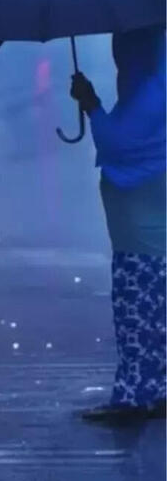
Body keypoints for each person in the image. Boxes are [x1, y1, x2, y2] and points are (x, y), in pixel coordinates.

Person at [70, 25, 166, 422]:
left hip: (140, 234)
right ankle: (157, 389)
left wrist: (91, 103)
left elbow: (119, 143)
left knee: (136, 312)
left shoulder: (152, 93)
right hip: (146, 225)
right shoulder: (151, 85)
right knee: (155, 311)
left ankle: (133, 396)